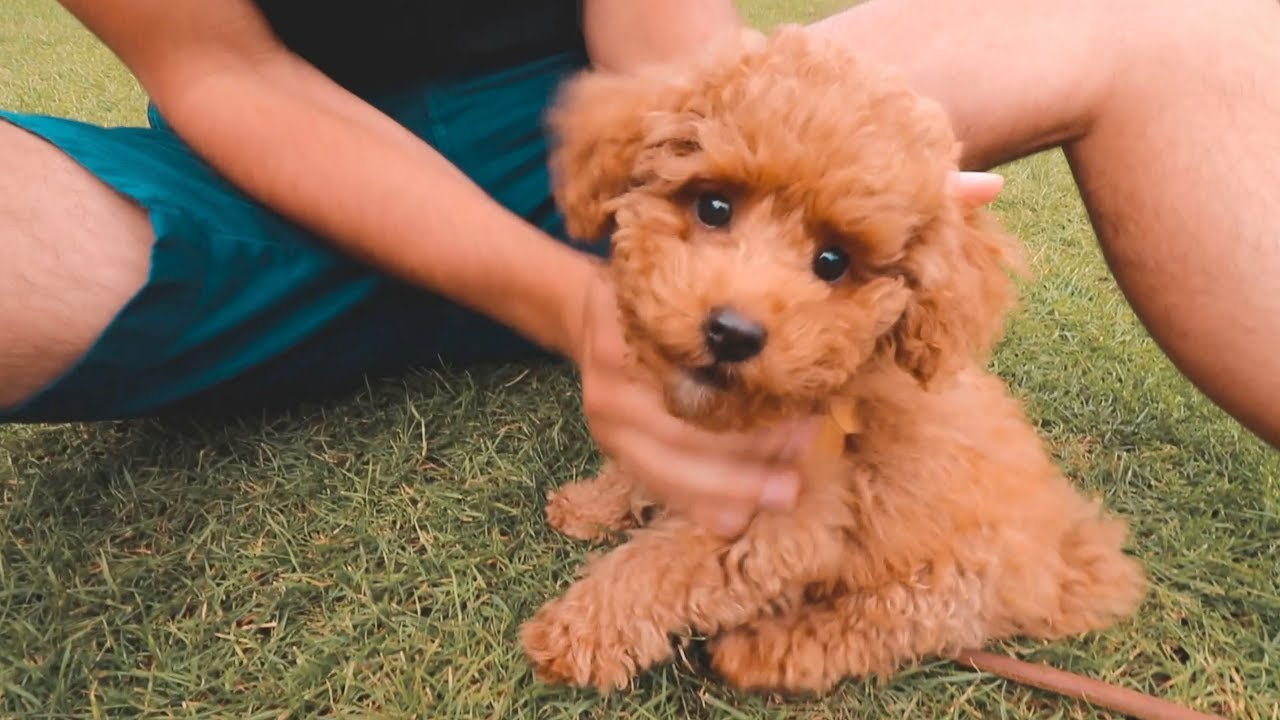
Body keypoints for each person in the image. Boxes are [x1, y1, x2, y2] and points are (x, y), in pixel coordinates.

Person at [1, 0, 1276, 537]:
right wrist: (569, 303)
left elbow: (660, 41)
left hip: (633, 150)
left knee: (1175, 16)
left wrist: (777, 198)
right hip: (253, 207)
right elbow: (227, 71)